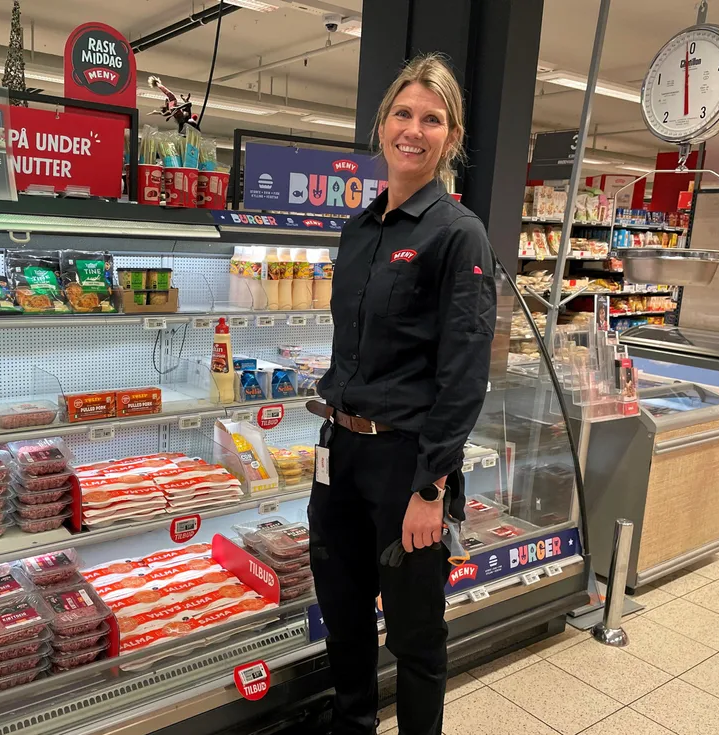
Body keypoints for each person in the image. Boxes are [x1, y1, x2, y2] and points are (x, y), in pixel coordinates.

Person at [307, 53, 497, 735]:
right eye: (403, 113)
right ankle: (352, 724)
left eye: (432, 118)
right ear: (382, 123)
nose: (413, 129)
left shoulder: (456, 233)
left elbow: (464, 370)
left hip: (405, 466)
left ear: (451, 137)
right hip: (341, 455)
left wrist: (432, 487)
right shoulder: (359, 230)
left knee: (415, 635)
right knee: (344, 615)